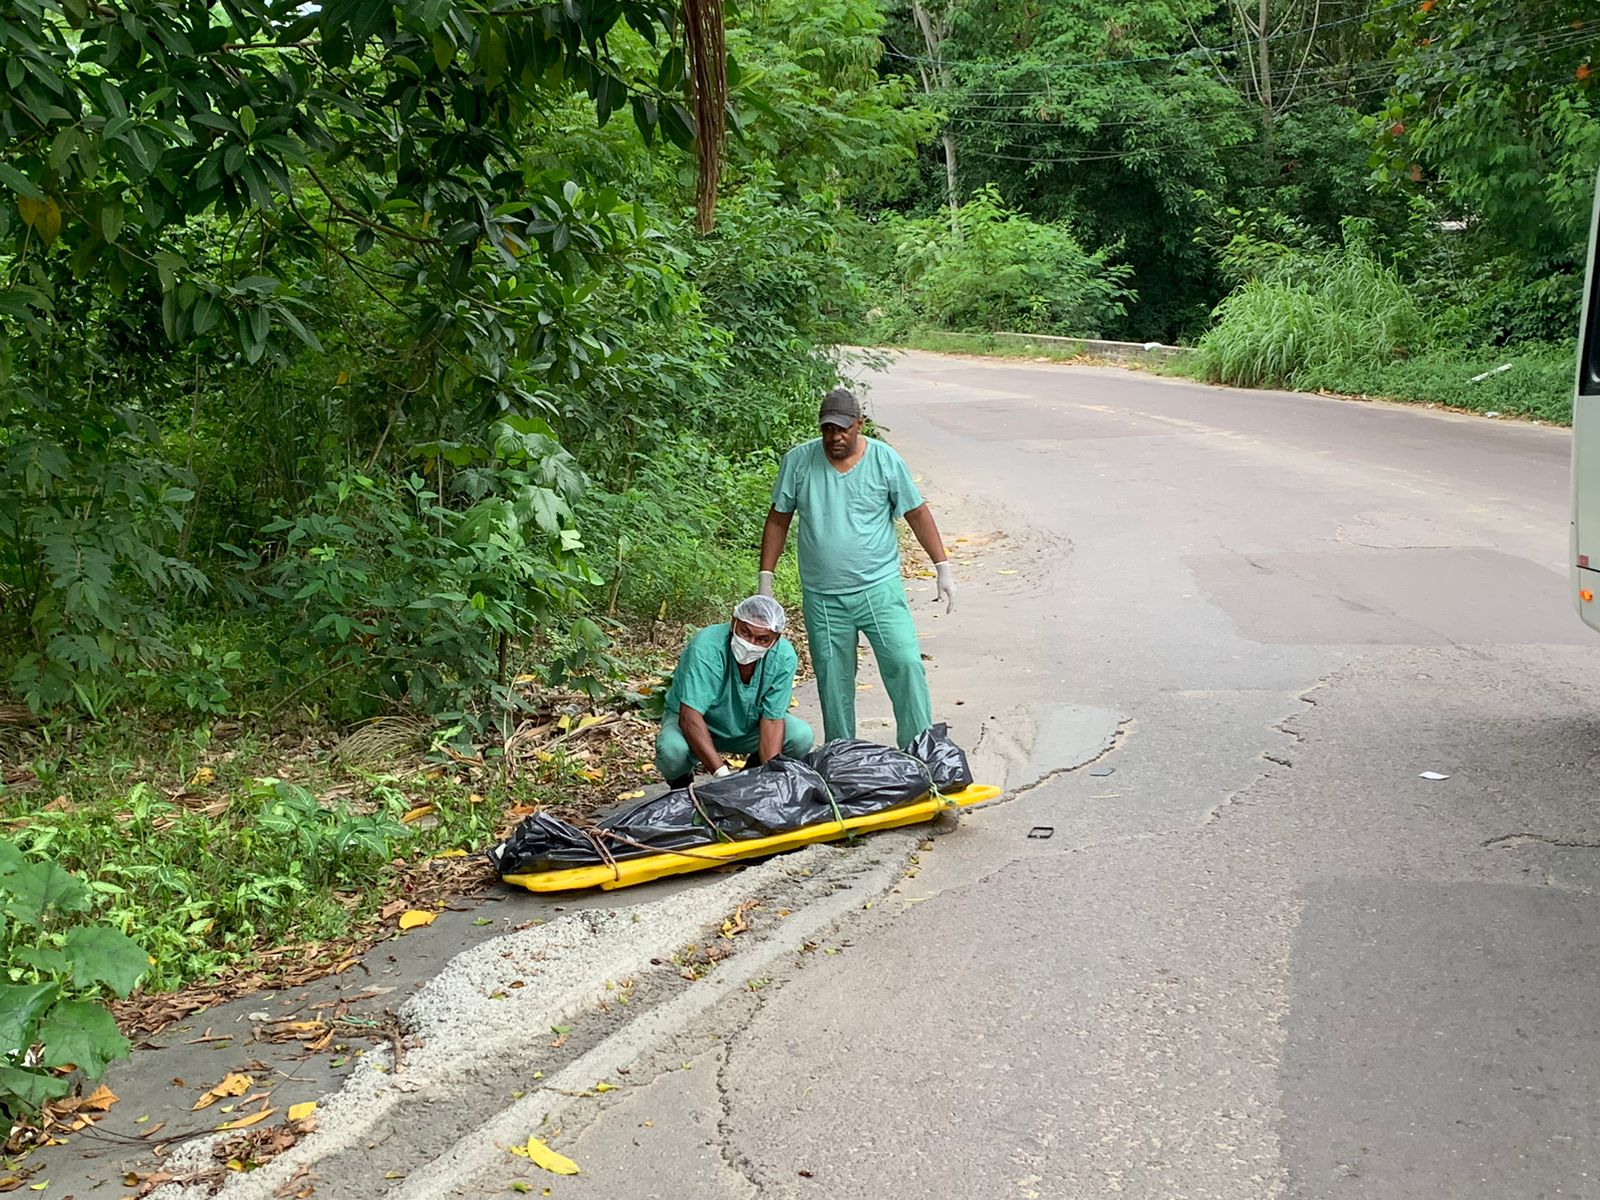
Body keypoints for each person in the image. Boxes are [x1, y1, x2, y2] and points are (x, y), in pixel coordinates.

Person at [758, 387, 955, 748]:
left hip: (877, 588)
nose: (835, 437)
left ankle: (923, 757)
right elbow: (778, 519)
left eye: (843, 429)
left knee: (906, 665)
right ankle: (844, 762)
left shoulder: (884, 460)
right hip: (823, 596)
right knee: (834, 683)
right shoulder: (799, 462)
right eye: (828, 429)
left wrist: (941, 565)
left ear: (859, 425)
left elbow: (916, 511)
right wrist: (765, 580)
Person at [654, 595, 815, 788]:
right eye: (745, 633)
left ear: (776, 638)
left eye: (762, 639)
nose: (751, 643)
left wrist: (769, 780)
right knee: (672, 751)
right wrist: (722, 776)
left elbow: (772, 720)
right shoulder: (706, 647)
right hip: (698, 724)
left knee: (800, 736)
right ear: (733, 623)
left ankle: (752, 781)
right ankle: (681, 787)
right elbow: (690, 717)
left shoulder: (784, 656)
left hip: (748, 728)